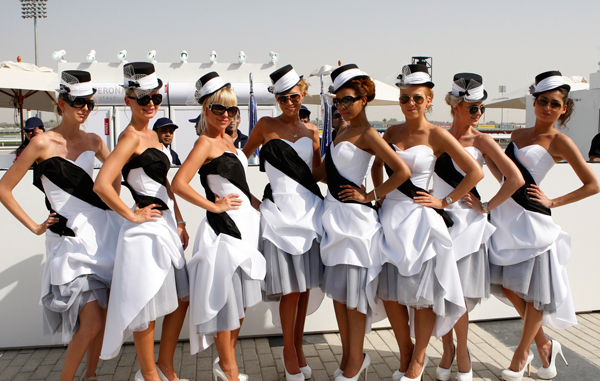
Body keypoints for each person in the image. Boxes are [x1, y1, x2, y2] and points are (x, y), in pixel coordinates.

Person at [0, 70, 122, 381]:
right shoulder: (41, 142)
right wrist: (35, 226)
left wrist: (114, 198)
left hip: (103, 238)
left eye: (90, 104)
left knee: (102, 320)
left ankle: (90, 377)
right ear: (62, 102)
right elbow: (4, 188)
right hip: (69, 245)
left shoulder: (95, 141)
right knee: (92, 322)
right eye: (79, 102)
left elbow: (114, 177)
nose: (85, 109)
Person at [372, 63, 483, 381]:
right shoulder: (391, 132)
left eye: (417, 98)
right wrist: (379, 195)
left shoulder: (436, 134)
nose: (410, 104)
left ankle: (418, 360)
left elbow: (474, 172)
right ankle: (404, 350)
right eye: (405, 99)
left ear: (429, 100)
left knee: (420, 297)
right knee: (391, 293)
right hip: (389, 217)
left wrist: (443, 201)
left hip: (419, 221)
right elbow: (379, 164)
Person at [489, 71, 599, 381]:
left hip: (533, 222)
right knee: (510, 286)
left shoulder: (560, 141)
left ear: (564, 109)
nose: (547, 108)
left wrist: (553, 202)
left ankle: (522, 353)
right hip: (506, 219)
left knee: (534, 293)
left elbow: (592, 184)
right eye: (542, 101)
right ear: (534, 102)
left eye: (554, 104)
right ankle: (545, 344)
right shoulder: (516, 136)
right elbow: (504, 177)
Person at [314, 64, 411, 381]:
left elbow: (401, 171)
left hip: (356, 225)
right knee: (340, 296)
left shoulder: (369, 133)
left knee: (354, 297)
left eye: (348, 100)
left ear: (364, 99)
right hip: (335, 218)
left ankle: (356, 360)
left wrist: (371, 195)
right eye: (338, 101)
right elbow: (327, 173)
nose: (341, 106)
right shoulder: (342, 130)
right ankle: (348, 356)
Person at [94, 62, 190, 381]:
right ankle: (150, 374)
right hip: (144, 233)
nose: (150, 103)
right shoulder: (131, 137)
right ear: (128, 100)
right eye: (142, 97)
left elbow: (164, 183)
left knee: (181, 298)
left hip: (165, 228)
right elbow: (102, 184)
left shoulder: (152, 135)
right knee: (144, 306)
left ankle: (164, 366)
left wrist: (179, 220)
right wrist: (133, 214)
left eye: (155, 97)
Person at [171, 72, 265, 381]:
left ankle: (225, 366)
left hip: (245, 227)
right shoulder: (206, 142)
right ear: (205, 110)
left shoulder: (229, 141)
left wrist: (257, 204)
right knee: (226, 301)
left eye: (231, 110)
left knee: (239, 302)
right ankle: (228, 368)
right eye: (218, 109)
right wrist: (214, 206)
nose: (225, 115)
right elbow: (178, 184)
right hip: (224, 231)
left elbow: (238, 186)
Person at [433, 73, 524, 381]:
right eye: (473, 108)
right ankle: (447, 351)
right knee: (440, 292)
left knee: (459, 295)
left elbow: (514, 179)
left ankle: (462, 354)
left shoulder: (482, 140)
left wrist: (486, 207)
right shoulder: (436, 136)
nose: (479, 114)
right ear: (455, 106)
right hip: (439, 223)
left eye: (481, 108)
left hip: (468, 228)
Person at [242, 64, 324, 381]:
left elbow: (317, 175)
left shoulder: (312, 132)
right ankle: (289, 353)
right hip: (278, 215)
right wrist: (253, 201)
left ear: (302, 95)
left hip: (309, 213)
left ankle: (299, 349)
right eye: (281, 98)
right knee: (290, 291)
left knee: (303, 290)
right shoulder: (264, 125)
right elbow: (237, 160)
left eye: (293, 97)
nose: (288, 103)